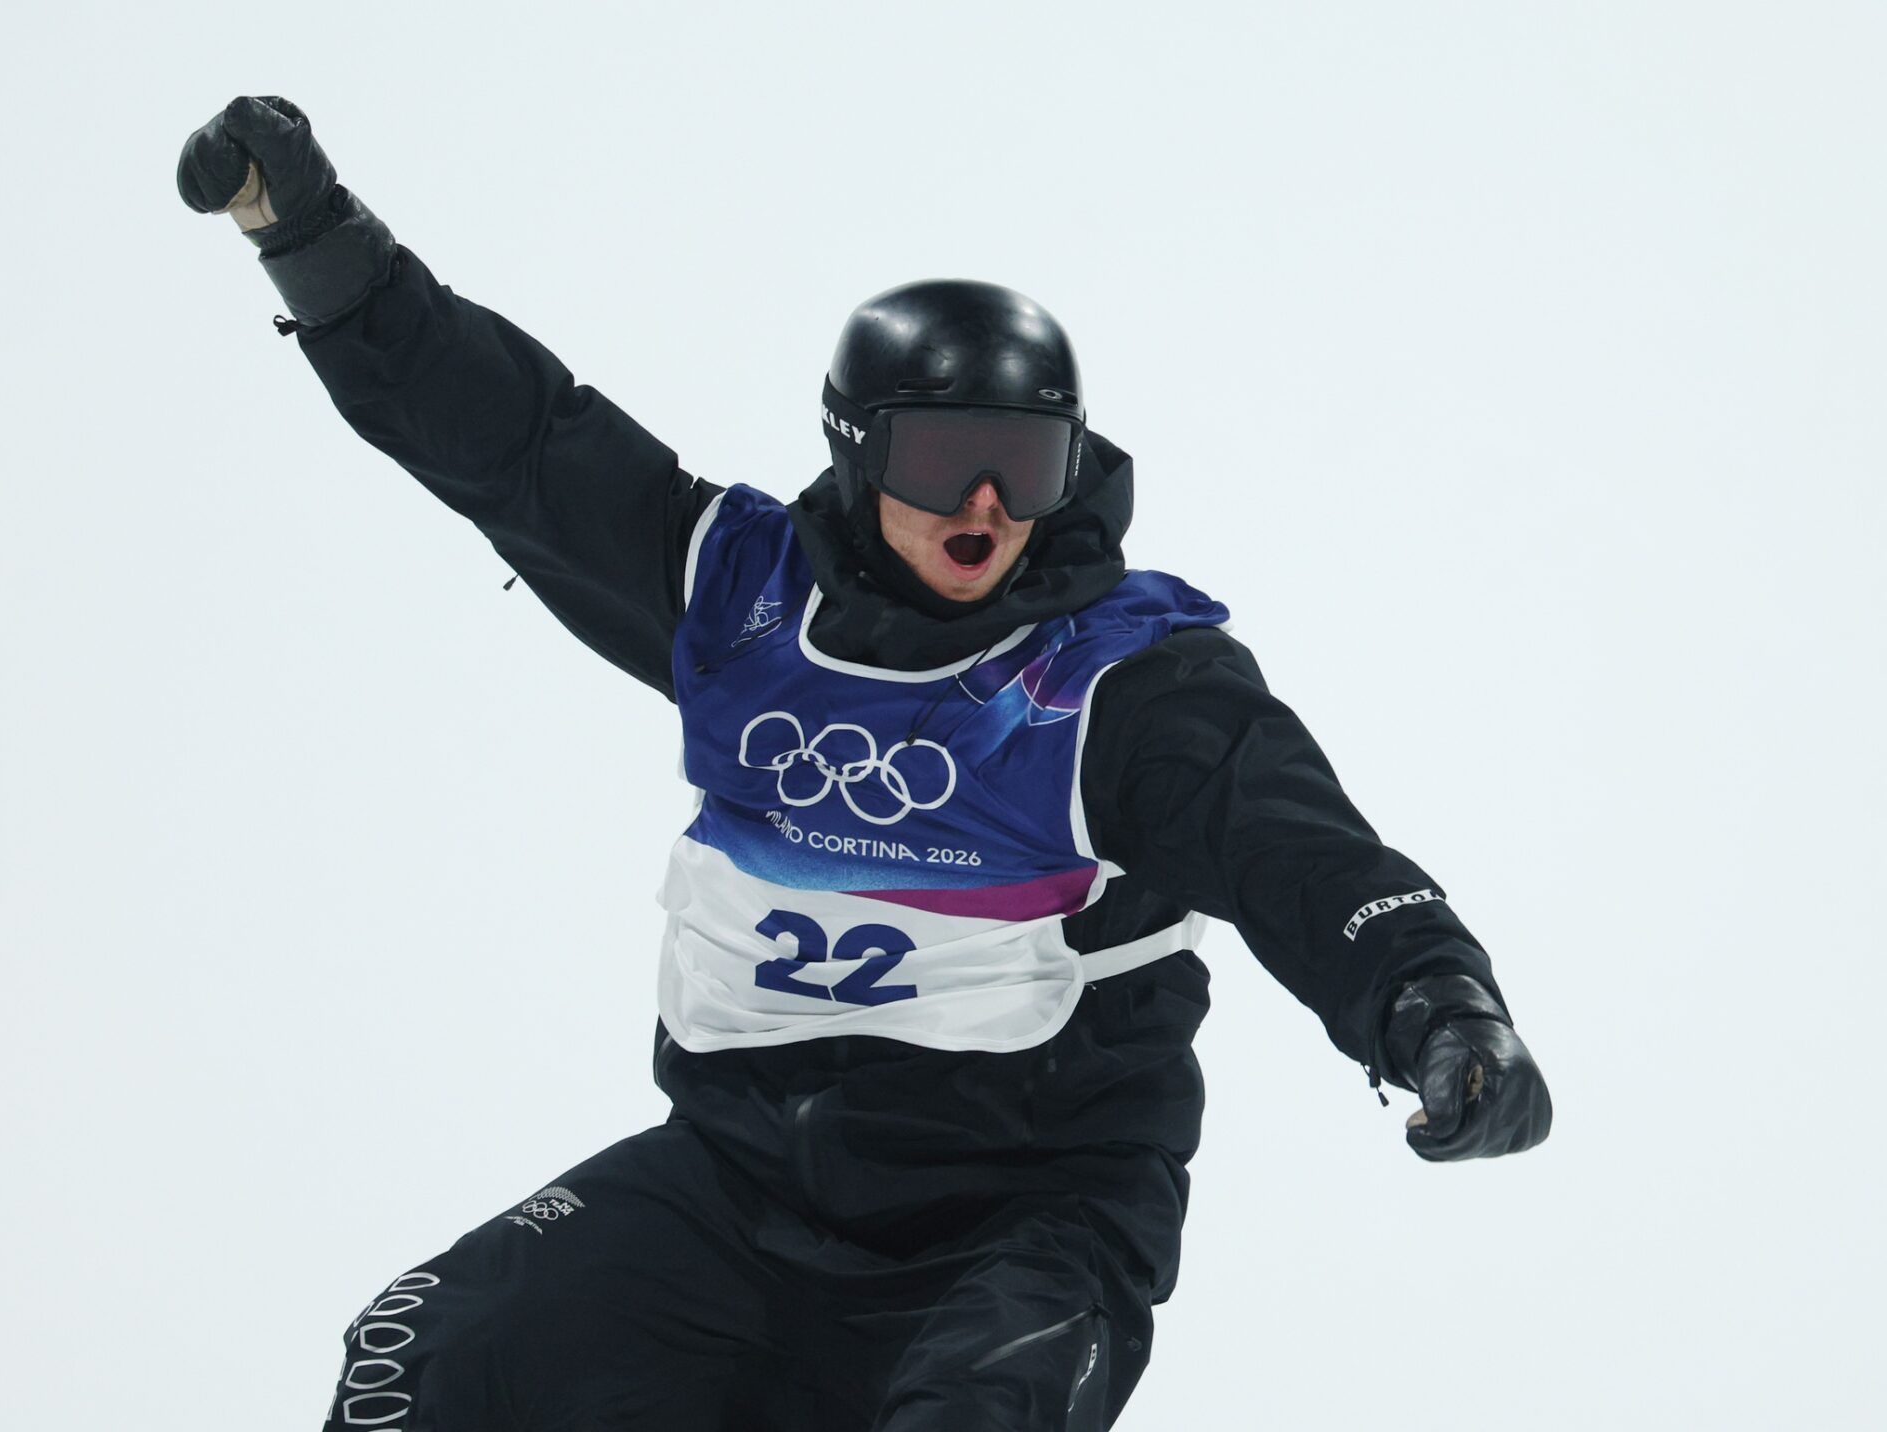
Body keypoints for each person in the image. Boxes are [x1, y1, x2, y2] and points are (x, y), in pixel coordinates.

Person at [179, 96, 1552, 1432]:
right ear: (853, 447)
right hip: (738, 1191)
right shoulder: (733, 595)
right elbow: (513, 442)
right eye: (946, 457)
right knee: (426, 1364)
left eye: (1024, 463)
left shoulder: (1122, 688)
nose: (985, 508)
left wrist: (1437, 1004)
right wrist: (313, 241)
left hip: (1024, 1222)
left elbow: (1301, 855)